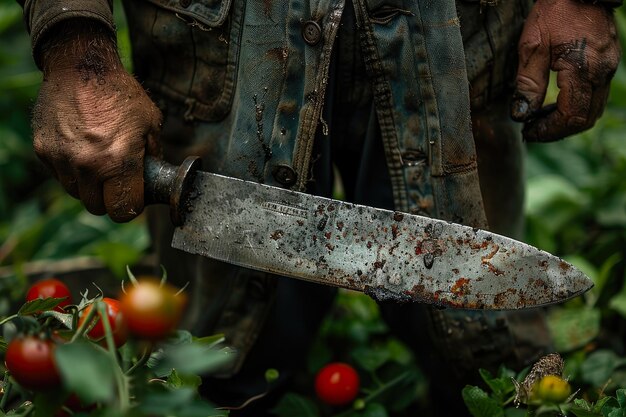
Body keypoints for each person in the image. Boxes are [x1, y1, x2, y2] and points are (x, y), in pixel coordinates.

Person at [18, 0, 621, 415]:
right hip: (210, 51)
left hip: (461, 41)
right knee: (211, 357)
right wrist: (75, 47)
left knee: (480, 357)